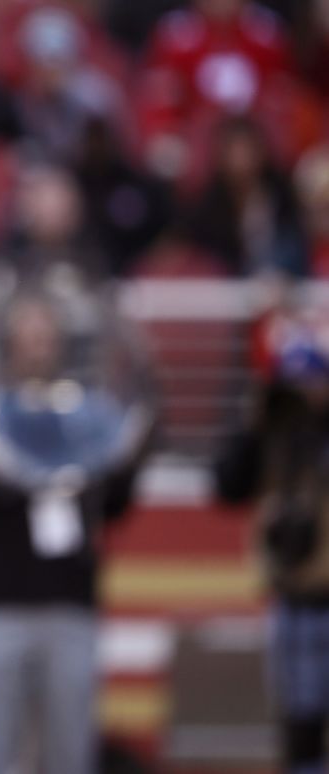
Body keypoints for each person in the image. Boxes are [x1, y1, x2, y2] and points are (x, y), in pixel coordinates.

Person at [0, 293, 153, 774]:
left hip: (70, 606)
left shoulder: (87, 418)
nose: (37, 347)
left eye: (46, 336)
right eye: (28, 336)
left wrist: (134, 449)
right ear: (9, 343)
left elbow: (115, 503)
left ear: (61, 344)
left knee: (70, 752)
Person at [214, 304, 329, 774]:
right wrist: (253, 422)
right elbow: (227, 486)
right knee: (298, 726)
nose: (305, 393)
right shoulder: (276, 432)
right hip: (294, 595)